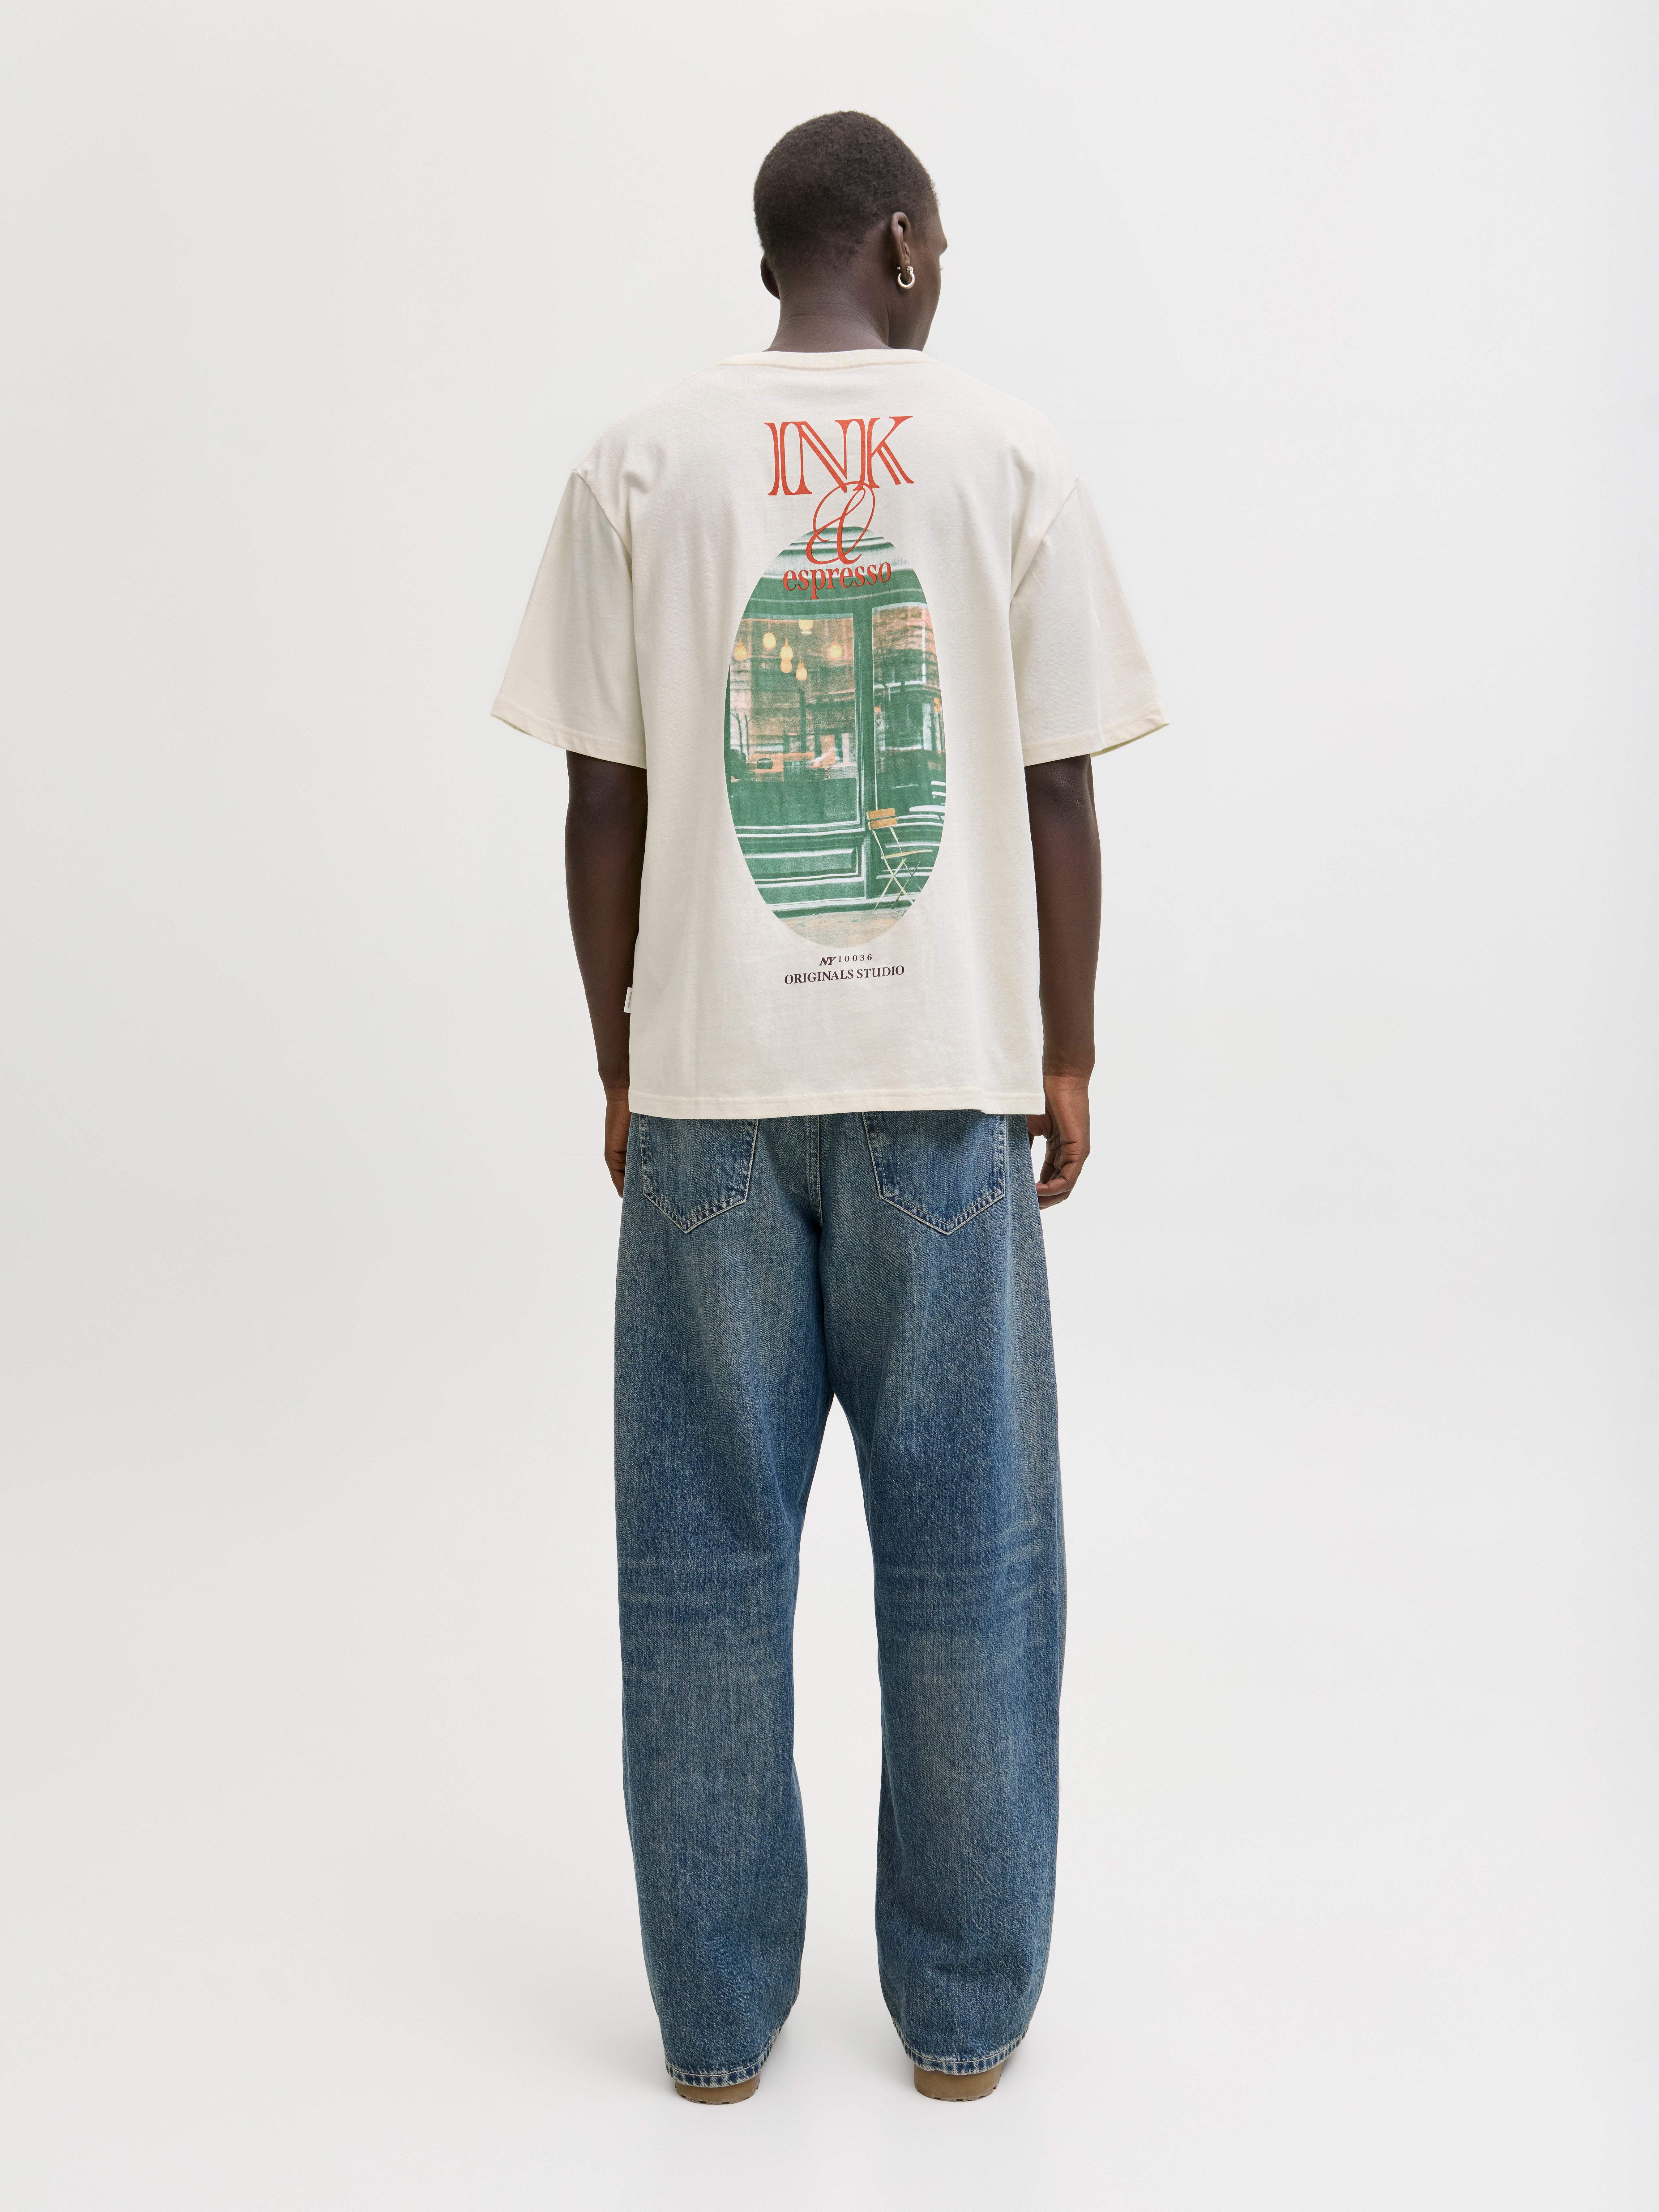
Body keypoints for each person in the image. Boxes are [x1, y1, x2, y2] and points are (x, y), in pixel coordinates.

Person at [492, 111, 1165, 2105]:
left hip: (709, 1092)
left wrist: (623, 1057)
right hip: (942, 1085)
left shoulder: (637, 460)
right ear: (898, 242)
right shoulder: (1005, 454)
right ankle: (959, 2024)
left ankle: (714, 2031)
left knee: (702, 1568)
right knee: (973, 1561)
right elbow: (1055, 784)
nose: (943, 261)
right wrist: (1064, 1050)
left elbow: (597, 797)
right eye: (938, 236)